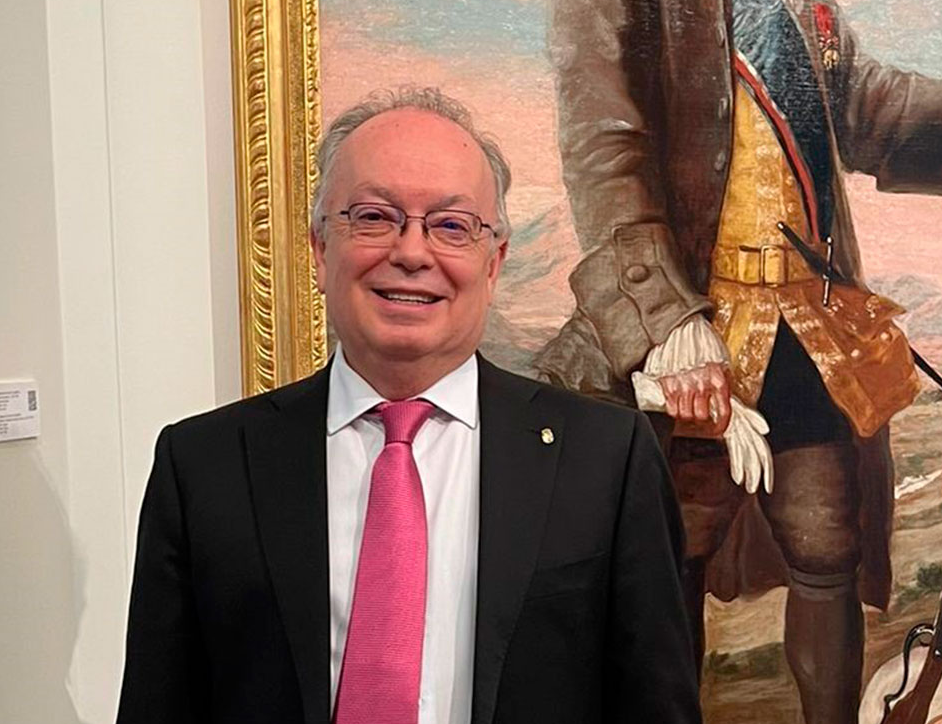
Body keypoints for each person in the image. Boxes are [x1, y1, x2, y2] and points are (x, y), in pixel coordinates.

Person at [534, 1, 942, 722]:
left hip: (805, 326)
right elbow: (605, 153)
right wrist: (668, 321)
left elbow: (860, 106)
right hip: (687, 327)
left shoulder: (795, 8)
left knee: (829, 546)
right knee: (671, 553)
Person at [117, 87, 701, 724]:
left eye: (451, 226)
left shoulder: (608, 460)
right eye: (374, 217)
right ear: (320, 249)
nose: (412, 253)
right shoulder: (204, 466)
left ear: (493, 264)